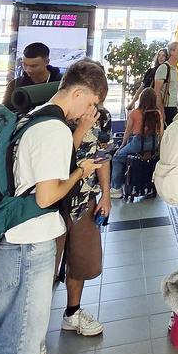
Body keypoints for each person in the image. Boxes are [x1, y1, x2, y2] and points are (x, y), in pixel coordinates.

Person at [0, 60, 107, 354]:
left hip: (12, 235)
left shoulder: (35, 117)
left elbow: (47, 167)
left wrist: (77, 140)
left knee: (3, 327)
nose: (89, 111)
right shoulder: (53, 129)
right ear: (78, 92)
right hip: (31, 241)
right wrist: (81, 172)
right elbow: (46, 196)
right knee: (23, 332)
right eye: (90, 103)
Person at [54, 105, 113, 339]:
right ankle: (32, 333)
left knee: (81, 260)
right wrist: (80, 128)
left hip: (85, 199)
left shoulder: (102, 116)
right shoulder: (53, 115)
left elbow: (102, 156)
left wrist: (106, 195)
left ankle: (73, 311)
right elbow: (58, 159)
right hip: (51, 202)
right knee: (44, 267)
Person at [111, 87, 163, 199]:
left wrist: (122, 146)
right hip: (154, 143)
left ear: (141, 99)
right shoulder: (157, 113)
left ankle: (116, 188)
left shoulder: (135, 113)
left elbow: (128, 132)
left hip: (138, 142)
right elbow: (161, 132)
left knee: (117, 158)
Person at [2, 42, 63, 110]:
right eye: (25, 64)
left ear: (47, 62)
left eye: (34, 66)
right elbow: (5, 112)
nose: (28, 70)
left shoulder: (62, 85)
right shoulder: (14, 85)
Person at [154, 41, 178, 125]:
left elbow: (177, 89)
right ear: (172, 52)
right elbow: (157, 91)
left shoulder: (175, 69)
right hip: (166, 108)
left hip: (175, 106)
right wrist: (161, 111)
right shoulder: (164, 68)